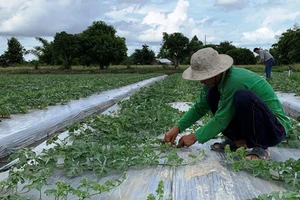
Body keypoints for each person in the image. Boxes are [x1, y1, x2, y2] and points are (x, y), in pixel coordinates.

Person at [163, 47, 291, 160]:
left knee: (243, 96)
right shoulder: (214, 82)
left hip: (274, 128)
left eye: (204, 77)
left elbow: (222, 119)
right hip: (256, 126)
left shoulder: (234, 81)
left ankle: (261, 146)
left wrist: (195, 136)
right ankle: (238, 141)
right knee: (211, 96)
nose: (201, 82)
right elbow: (199, 108)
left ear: (216, 72)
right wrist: (177, 128)